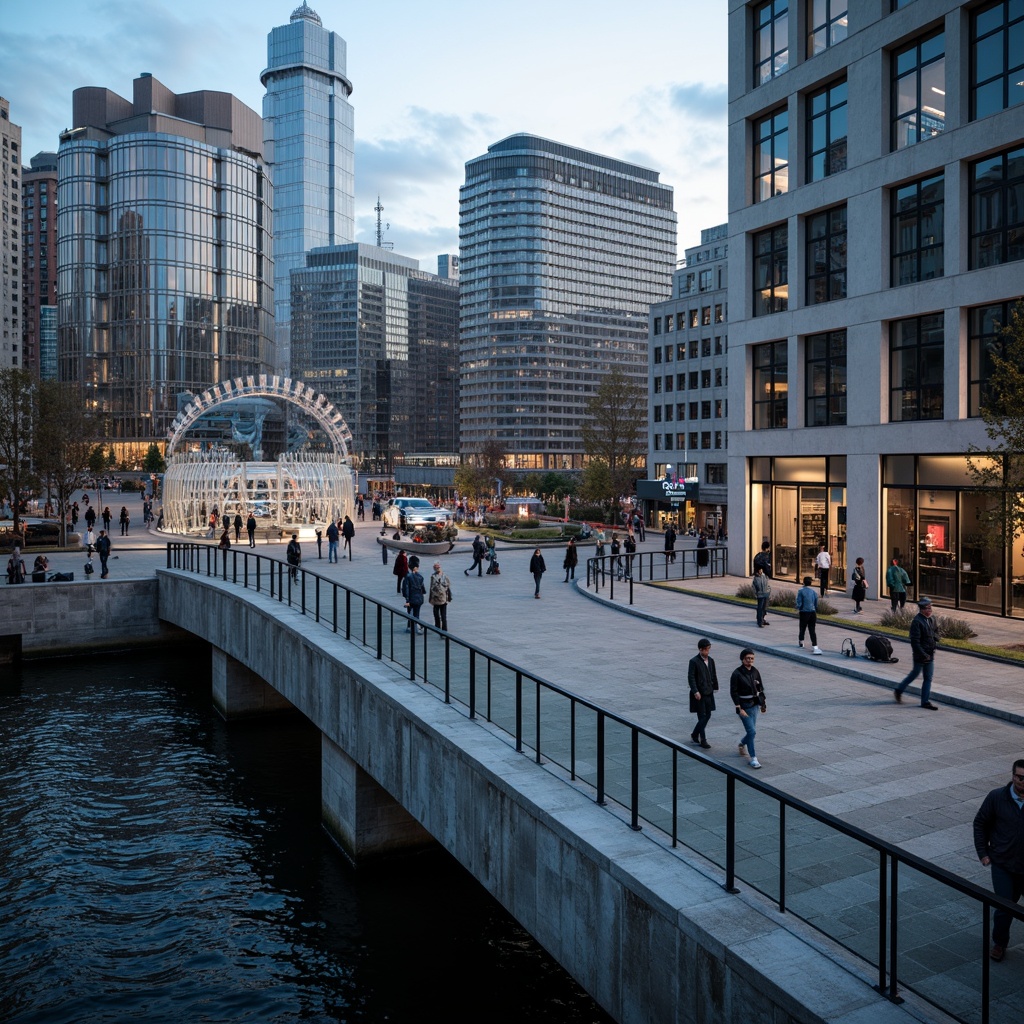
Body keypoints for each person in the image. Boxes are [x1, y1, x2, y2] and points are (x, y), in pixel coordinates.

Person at [973, 760, 1024, 963]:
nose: (1023, 782)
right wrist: (983, 853)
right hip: (1003, 864)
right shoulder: (997, 797)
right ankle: (1000, 943)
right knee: (1004, 907)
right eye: (1020, 777)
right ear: (1012, 776)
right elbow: (980, 823)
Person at [893, 597, 939, 709]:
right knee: (914, 674)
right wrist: (923, 654)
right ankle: (899, 690)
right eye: (927, 608)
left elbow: (936, 631)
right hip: (920, 655)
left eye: (930, 608)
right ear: (922, 609)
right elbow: (915, 642)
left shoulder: (932, 619)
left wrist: (936, 638)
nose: (930, 610)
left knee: (928, 678)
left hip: (930, 653)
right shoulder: (917, 622)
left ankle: (925, 702)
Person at [730, 648, 767, 769]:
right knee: (752, 732)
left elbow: (760, 688)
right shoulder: (737, 673)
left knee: (751, 732)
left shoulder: (755, 671)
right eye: (747, 658)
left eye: (752, 658)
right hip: (744, 707)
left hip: (754, 705)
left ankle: (742, 743)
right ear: (742, 659)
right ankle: (753, 758)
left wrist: (763, 704)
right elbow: (734, 692)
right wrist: (739, 708)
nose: (750, 661)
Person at [687, 638, 719, 749]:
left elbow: (713, 674)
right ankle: (703, 739)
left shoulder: (710, 660)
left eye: (708, 649)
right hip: (699, 693)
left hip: (708, 692)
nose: (707, 652)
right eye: (705, 649)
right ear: (700, 649)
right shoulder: (694, 661)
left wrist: (715, 686)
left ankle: (695, 734)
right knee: (702, 716)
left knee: (708, 714)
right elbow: (691, 677)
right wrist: (695, 691)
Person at [796, 576, 823, 654]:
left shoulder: (801, 591)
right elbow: (816, 602)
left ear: (803, 582)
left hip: (804, 612)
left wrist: (799, 608)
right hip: (812, 612)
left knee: (802, 628)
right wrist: (815, 608)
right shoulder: (813, 591)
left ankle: (801, 643)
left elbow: (799, 602)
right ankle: (815, 646)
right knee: (812, 630)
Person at [402, 556, 426, 632]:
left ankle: (411, 627)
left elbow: (406, 589)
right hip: (419, 598)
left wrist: (407, 599)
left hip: (411, 598)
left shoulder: (407, 577)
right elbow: (423, 589)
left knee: (410, 613)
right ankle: (416, 626)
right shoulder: (420, 577)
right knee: (417, 613)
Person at [428, 561, 453, 631]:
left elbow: (447, 586)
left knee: (442, 616)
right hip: (437, 599)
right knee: (437, 615)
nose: (437, 568)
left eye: (438, 566)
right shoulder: (433, 576)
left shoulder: (443, 576)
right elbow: (431, 588)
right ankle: (438, 628)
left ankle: (442, 629)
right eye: (436, 567)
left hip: (442, 599)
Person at [752, 563, 771, 627]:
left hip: (766, 594)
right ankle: (760, 621)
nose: (760, 571)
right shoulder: (756, 578)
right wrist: (756, 593)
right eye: (759, 570)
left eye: (761, 570)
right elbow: (754, 587)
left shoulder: (765, 576)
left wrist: (768, 591)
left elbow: (768, 585)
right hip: (760, 595)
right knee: (760, 608)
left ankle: (762, 619)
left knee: (765, 608)